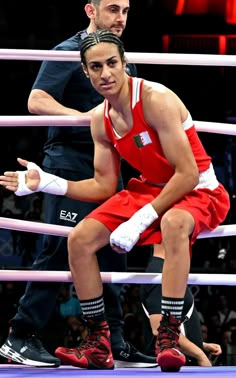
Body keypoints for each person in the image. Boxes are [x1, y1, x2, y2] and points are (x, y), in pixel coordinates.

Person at [0, 29, 230, 371]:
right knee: (79, 239)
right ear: (85, 71)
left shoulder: (156, 99)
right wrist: (47, 183)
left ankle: (168, 334)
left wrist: (138, 221)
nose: (105, 73)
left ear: (125, 64)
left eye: (111, 63)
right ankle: (98, 341)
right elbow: (104, 187)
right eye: (95, 67)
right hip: (149, 189)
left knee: (172, 222)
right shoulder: (100, 119)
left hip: (196, 189)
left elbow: (187, 174)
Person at [0, 0, 157, 369]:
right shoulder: (69, 52)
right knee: (59, 247)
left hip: (111, 163)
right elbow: (36, 100)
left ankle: (111, 339)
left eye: (126, 11)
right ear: (91, 10)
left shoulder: (123, 59)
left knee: (107, 249)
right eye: (113, 9)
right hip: (70, 158)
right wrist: (86, 120)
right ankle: (19, 336)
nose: (120, 18)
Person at [140, 250, 222, 366]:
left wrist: (200, 344)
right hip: (173, 366)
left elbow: (175, 323)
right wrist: (200, 355)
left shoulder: (171, 270)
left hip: (181, 364)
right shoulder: (160, 272)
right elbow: (159, 328)